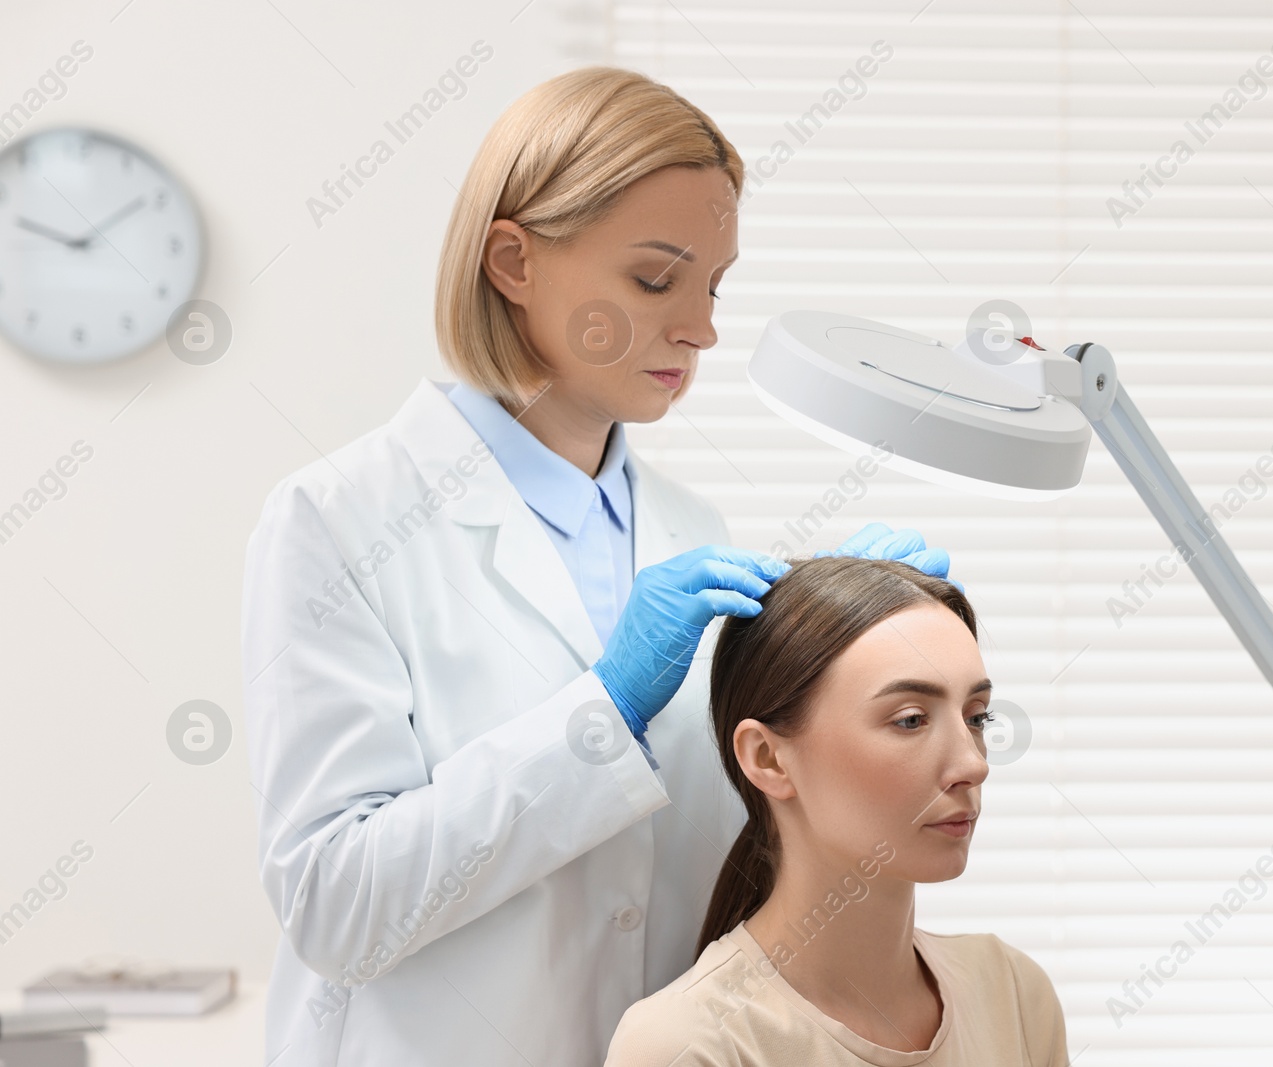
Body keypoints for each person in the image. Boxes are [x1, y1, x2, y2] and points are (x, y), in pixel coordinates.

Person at [240, 66, 952, 1066]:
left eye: (713, 285)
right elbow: (337, 903)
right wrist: (604, 710)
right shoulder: (339, 520)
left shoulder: (687, 526)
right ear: (513, 262)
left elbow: (730, 881)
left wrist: (840, 661)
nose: (700, 327)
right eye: (655, 279)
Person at [604, 555, 1068, 1065]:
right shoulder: (688, 1045)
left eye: (977, 717)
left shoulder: (1014, 993)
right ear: (767, 758)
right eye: (911, 720)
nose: (972, 765)